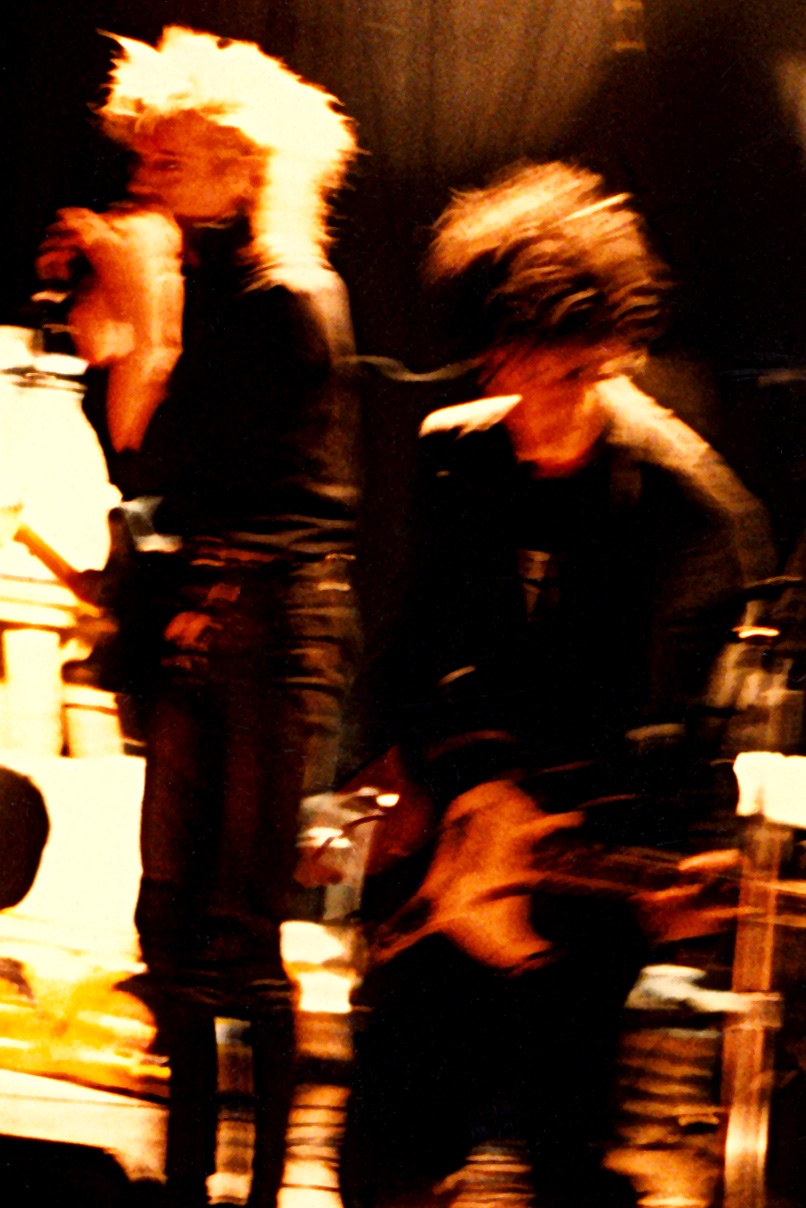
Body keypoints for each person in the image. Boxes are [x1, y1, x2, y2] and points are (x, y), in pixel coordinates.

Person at [342, 162, 775, 1208]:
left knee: (560, 1156)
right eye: (514, 372)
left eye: (569, 377)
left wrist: (672, 853)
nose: (536, 410)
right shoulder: (453, 457)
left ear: (614, 352)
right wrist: (456, 785)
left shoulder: (689, 508)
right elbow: (406, 652)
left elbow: (678, 728)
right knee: (385, 1154)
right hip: (450, 856)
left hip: (582, 878)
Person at [37, 27, 360, 1208]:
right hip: (209, 610)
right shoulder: (213, 287)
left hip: (275, 618)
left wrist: (139, 307)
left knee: (240, 930)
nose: (144, 178)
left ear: (238, 161)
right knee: (169, 922)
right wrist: (123, 309)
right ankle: (182, 1180)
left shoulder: (289, 296)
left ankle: (260, 1187)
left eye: (166, 159)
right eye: (144, 156)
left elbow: (170, 445)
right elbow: (138, 449)